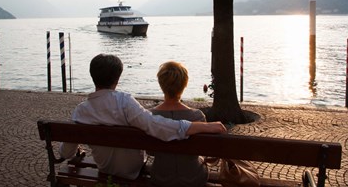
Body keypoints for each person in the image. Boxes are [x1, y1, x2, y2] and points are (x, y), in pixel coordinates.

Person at [59, 54, 227, 180]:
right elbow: (156, 126)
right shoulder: (124, 102)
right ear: (117, 78)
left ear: (92, 76)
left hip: (104, 168)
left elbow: (67, 153)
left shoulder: (81, 111)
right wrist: (200, 126)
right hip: (133, 170)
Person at [150, 61, 210, 187]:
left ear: (161, 84)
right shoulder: (197, 116)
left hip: (161, 177)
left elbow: (150, 152)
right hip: (192, 178)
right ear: (185, 84)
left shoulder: (150, 116)